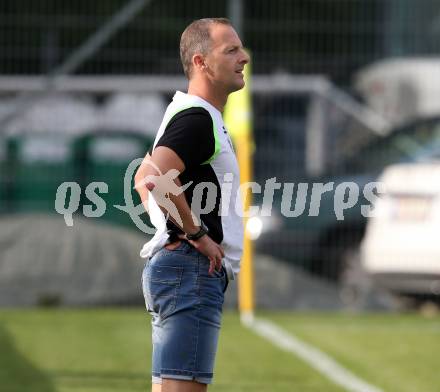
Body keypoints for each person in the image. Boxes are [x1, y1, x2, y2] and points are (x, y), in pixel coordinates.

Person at [134, 17, 249, 392]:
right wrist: (194, 232)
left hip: (179, 268)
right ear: (200, 62)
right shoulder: (198, 117)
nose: (243, 57)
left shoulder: (187, 112)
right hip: (191, 269)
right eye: (230, 50)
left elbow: (142, 179)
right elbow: (155, 178)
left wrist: (170, 225)